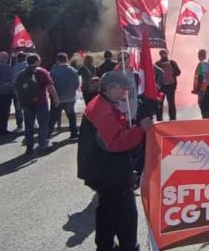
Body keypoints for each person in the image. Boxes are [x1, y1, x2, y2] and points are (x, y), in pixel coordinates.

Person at [77, 72, 152, 251]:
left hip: (102, 170)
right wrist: (140, 130)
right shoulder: (102, 110)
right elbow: (115, 143)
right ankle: (129, 246)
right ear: (110, 88)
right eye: (123, 88)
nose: (126, 92)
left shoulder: (102, 104)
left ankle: (105, 245)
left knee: (107, 212)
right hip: (110, 172)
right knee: (126, 213)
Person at [15, 54, 58, 154]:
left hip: (26, 102)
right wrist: (55, 97)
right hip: (40, 101)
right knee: (43, 123)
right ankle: (43, 144)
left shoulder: (21, 73)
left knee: (29, 124)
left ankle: (29, 147)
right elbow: (50, 86)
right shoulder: (42, 72)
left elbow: (17, 88)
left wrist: (19, 101)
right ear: (37, 61)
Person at [50, 53, 80, 141]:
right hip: (70, 97)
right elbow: (77, 84)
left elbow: (51, 84)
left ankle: (47, 134)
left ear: (57, 60)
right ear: (67, 59)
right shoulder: (73, 71)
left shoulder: (53, 71)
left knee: (53, 116)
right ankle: (74, 134)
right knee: (71, 116)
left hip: (58, 97)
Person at [155, 49, 181, 121]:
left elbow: (178, 72)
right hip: (161, 87)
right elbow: (154, 74)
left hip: (171, 86)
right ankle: (159, 119)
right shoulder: (157, 64)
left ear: (167, 53)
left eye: (165, 53)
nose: (163, 54)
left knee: (171, 103)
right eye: (162, 53)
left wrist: (172, 72)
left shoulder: (172, 62)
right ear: (160, 54)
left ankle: (173, 119)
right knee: (160, 103)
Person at [11, 52, 29, 133]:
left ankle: (19, 126)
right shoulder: (28, 66)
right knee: (30, 107)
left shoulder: (14, 67)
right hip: (29, 89)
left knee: (18, 109)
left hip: (18, 90)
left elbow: (13, 79)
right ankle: (32, 124)